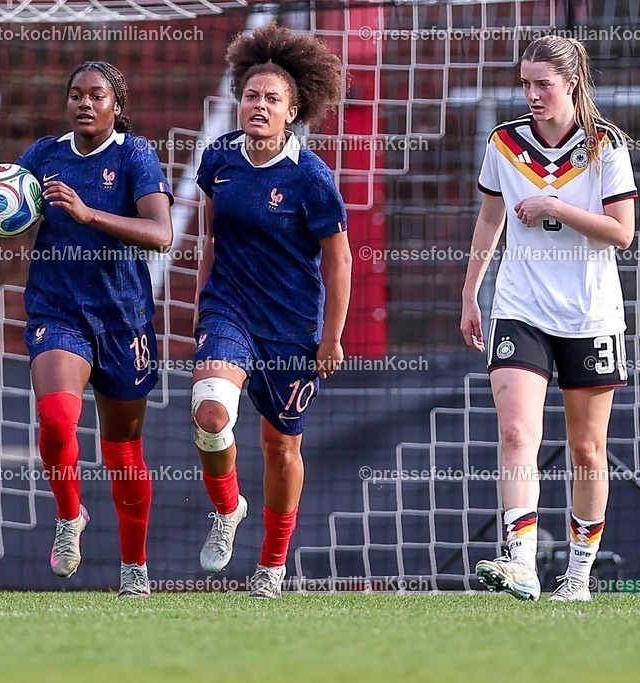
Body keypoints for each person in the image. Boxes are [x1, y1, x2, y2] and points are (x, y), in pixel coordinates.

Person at [0, 61, 174, 597]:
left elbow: (162, 234)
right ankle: (70, 516)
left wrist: (88, 214)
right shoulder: (45, 156)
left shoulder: (135, 155)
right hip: (58, 311)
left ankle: (134, 568)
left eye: (97, 95)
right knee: (56, 419)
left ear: (116, 106)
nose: (84, 103)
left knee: (122, 450)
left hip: (123, 319)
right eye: (76, 94)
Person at [461, 36, 637, 602]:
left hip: (591, 313)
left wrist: (555, 205)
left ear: (572, 84)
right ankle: (522, 564)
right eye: (525, 84)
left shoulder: (604, 146)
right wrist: (471, 295)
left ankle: (579, 575)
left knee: (587, 449)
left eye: (543, 84)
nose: (532, 94)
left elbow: (623, 232)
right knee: (516, 433)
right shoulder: (504, 143)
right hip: (520, 308)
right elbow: (490, 222)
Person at [190, 24, 352, 599]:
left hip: (290, 324)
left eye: (272, 99)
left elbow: (338, 261)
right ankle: (227, 507)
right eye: (251, 95)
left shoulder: (311, 178)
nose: (258, 105)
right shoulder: (218, 161)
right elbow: (213, 238)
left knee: (281, 446)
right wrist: (202, 300)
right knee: (211, 413)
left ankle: (272, 566)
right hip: (227, 309)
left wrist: (331, 337)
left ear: (294, 111)